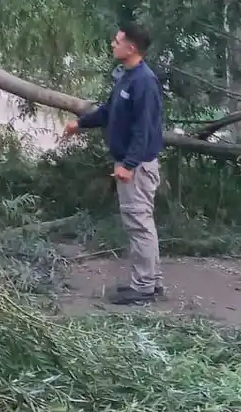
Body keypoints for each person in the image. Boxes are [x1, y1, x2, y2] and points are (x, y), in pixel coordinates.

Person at [63, 23, 166, 305]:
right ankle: (150, 282)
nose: (112, 43)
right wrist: (80, 124)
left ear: (131, 47)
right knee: (141, 223)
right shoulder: (127, 77)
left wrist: (129, 164)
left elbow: (144, 129)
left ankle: (144, 288)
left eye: (117, 40)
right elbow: (109, 111)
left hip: (138, 167)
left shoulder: (144, 81)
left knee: (139, 225)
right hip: (131, 163)